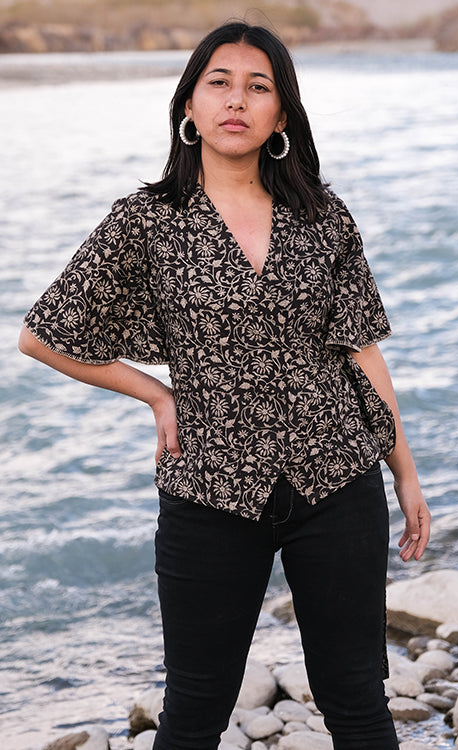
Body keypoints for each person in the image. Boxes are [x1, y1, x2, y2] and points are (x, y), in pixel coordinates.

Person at [19, 21, 431, 750]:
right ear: (190, 105)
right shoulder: (147, 222)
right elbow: (43, 335)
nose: (236, 100)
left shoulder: (322, 218)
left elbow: (361, 350)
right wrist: (156, 393)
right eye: (219, 82)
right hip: (207, 490)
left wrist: (405, 473)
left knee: (357, 703)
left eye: (258, 86)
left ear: (281, 115)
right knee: (194, 712)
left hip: (338, 479)